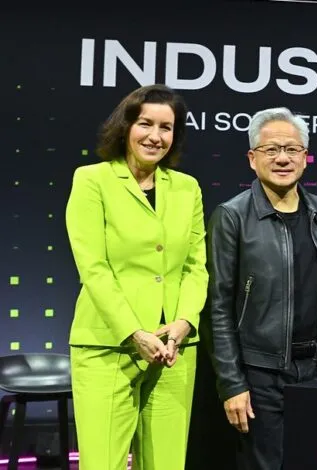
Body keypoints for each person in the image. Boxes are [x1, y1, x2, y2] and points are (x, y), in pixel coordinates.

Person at [64, 84, 208, 470]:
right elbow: (93, 268)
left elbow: (196, 266)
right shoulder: (92, 180)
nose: (155, 136)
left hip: (174, 349)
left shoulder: (187, 188)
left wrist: (184, 323)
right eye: (145, 123)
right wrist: (135, 333)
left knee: (167, 463)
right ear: (125, 126)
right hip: (109, 346)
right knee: (102, 464)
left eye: (167, 127)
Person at [204, 107, 317, 470]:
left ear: (305, 157)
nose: (283, 158)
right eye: (271, 150)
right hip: (259, 377)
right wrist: (231, 384)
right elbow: (217, 309)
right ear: (252, 159)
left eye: (292, 149)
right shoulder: (232, 216)